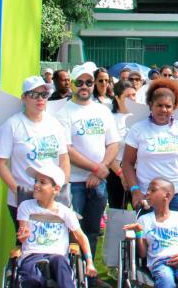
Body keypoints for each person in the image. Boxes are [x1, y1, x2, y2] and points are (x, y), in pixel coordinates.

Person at [56, 63, 120, 287]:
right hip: (74, 183)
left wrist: (102, 168)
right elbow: (67, 149)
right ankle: (70, 275)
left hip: (98, 182)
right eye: (79, 82)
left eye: (88, 82)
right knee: (73, 232)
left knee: (93, 230)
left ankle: (88, 275)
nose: (84, 86)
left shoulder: (102, 110)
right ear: (72, 84)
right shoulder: (64, 112)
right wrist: (96, 168)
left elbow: (113, 143)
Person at [0, 76, 71, 230]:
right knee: (26, 243)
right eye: (34, 95)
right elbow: (0, 163)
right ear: (24, 98)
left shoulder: (55, 125)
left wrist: (61, 187)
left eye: (44, 95)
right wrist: (18, 190)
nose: (40, 99)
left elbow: (64, 159)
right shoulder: (12, 125)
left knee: (55, 242)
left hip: (53, 198)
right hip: (25, 198)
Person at [16, 165, 97, 288]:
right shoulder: (25, 206)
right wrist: (23, 235)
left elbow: (81, 237)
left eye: (42, 182)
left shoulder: (65, 212)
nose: (36, 185)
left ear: (56, 188)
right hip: (32, 254)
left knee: (61, 263)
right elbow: (23, 235)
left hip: (57, 255)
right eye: (35, 181)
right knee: (33, 279)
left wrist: (90, 262)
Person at [121, 87, 178, 212]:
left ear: (173, 108)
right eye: (159, 105)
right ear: (151, 105)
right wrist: (135, 190)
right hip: (147, 195)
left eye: (168, 106)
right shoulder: (138, 129)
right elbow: (127, 163)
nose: (163, 110)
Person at [124, 178, 178, 288]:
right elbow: (143, 253)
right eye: (148, 189)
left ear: (167, 196)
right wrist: (139, 232)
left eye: (153, 190)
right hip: (159, 262)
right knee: (166, 281)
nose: (148, 192)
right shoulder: (144, 220)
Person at [107, 79, 136, 209]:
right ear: (118, 98)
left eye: (133, 95)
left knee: (141, 211)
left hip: (138, 171)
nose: (132, 99)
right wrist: (121, 174)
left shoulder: (141, 117)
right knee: (119, 212)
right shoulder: (110, 118)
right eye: (127, 96)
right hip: (116, 172)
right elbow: (106, 149)